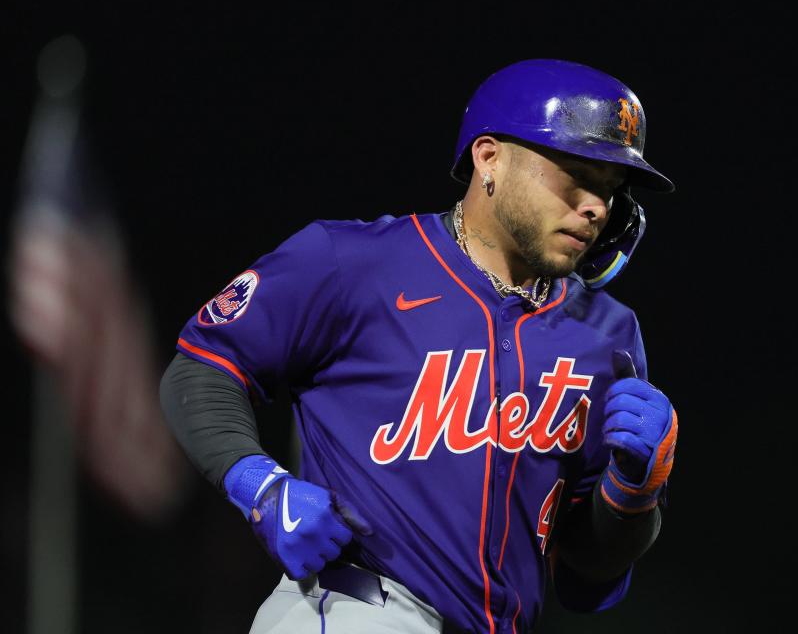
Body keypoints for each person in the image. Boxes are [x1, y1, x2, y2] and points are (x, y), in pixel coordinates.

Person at [159, 58, 679, 634]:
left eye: (610, 190)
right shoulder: (352, 262)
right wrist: (260, 483)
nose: (596, 206)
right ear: (490, 158)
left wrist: (635, 491)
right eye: (577, 174)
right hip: (359, 608)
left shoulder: (608, 337)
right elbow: (202, 370)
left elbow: (585, 579)